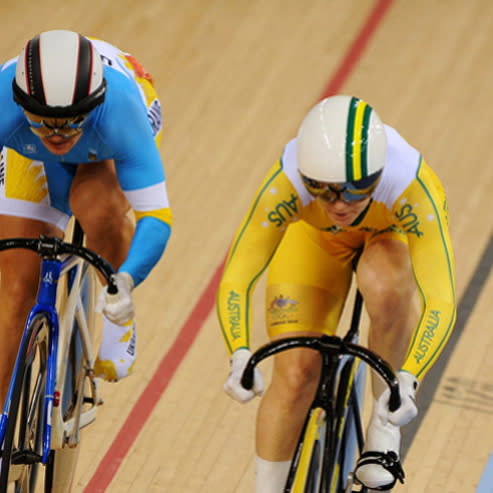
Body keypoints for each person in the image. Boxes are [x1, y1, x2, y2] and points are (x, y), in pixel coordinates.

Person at [216, 95, 456, 492]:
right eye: (322, 191)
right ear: (305, 177)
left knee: (382, 286)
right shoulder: (286, 183)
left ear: (378, 175)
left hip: (386, 237)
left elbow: (441, 301)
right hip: (313, 242)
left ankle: (383, 430)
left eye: (356, 189)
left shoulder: (413, 186)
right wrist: (239, 351)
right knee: (293, 376)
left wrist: (407, 381)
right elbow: (237, 277)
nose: (340, 204)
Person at [0, 29, 172, 404]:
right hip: (31, 155)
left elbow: (156, 218)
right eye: (41, 120)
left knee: (94, 206)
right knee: (15, 292)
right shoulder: (2, 104)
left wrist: (125, 280)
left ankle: (116, 314)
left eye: (70, 120)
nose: (57, 135)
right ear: (20, 103)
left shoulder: (121, 109)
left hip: (104, 145)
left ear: (93, 104)